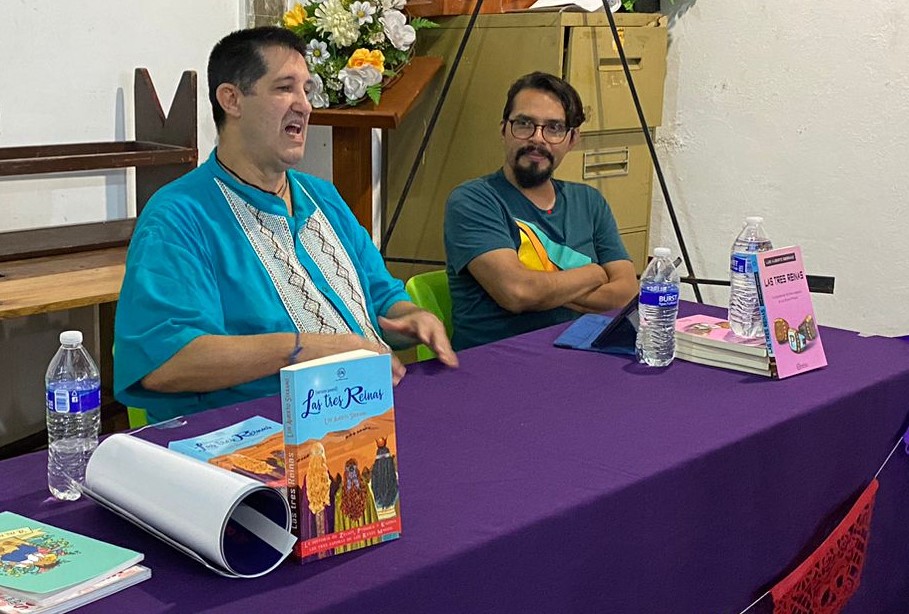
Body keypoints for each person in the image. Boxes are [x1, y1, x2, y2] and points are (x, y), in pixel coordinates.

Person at [114, 27, 456, 423]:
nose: (305, 106)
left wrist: (410, 317)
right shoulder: (179, 214)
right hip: (252, 439)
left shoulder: (321, 197)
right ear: (232, 99)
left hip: (364, 412)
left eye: (307, 90)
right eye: (284, 88)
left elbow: (380, 297)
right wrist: (308, 350)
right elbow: (166, 361)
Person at [444, 72, 638, 350]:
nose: (537, 138)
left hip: (580, 358)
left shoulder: (590, 202)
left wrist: (544, 290)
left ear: (572, 139)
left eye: (554, 128)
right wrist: (594, 274)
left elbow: (626, 294)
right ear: (503, 130)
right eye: (524, 124)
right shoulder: (473, 200)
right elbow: (518, 292)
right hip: (495, 365)